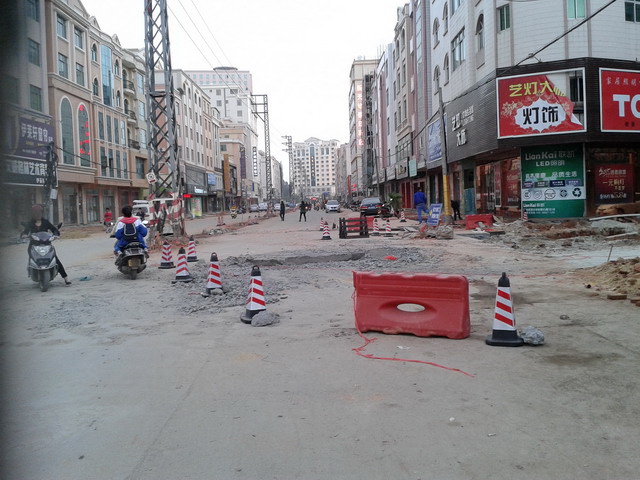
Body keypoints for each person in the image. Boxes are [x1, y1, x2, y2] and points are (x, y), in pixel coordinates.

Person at [21, 204, 71, 285]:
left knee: (55, 259)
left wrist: (56, 235)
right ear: (33, 214)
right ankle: (31, 270)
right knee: (32, 258)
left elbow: (54, 230)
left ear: (42, 213)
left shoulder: (46, 222)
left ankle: (66, 277)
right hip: (34, 245)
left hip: (46, 244)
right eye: (36, 213)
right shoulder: (30, 223)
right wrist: (24, 235)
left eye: (39, 212)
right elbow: (25, 232)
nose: (38, 214)